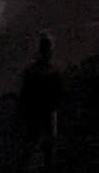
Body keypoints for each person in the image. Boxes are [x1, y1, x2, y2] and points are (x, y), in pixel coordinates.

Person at [17, 33, 64, 171]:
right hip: (48, 110)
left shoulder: (31, 71)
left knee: (31, 142)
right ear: (50, 50)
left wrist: (22, 111)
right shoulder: (54, 71)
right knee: (49, 142)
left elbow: (24, 93)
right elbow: (59, 94)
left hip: (34, 110)